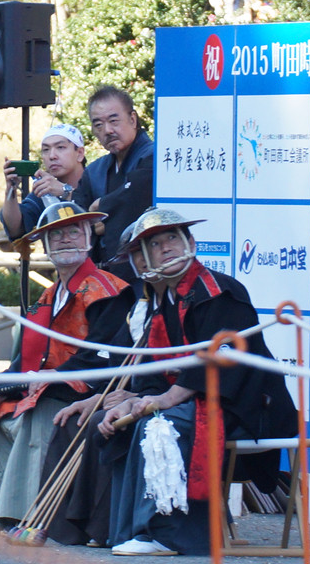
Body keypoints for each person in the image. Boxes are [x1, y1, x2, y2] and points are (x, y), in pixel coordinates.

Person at [56, 209, 297, 556]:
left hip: (247, 407)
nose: (165, 248)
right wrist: (133, 400)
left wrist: (164, 400)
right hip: (197, 401)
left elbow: (221, 361)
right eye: (154, 244)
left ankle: (164, 534)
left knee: (160, 424)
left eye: (172, 238)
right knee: (123, 421)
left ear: (191, 243)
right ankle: (121, 529)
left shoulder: (218, 291)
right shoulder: (163, 301)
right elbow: (157, 372)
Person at [0, 198, 126, 534]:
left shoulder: (108, 291)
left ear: (88, 236)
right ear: (45, 246)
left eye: (73, 231)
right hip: (44, 388)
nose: (65, 239)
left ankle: (25, 519)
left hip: (83, 392)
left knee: (39, 411)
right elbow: (26, 359)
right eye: (56, 234)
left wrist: (57, 376)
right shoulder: (47, 296)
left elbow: (104, 354)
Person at [73, 86, 155, 275]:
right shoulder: (94, 171)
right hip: (105, 274)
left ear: (133, 119)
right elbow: (80, 215)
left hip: (147, 271)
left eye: (113, 121)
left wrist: (105, 209)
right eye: (98, 125)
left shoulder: (154, 157)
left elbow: (140, 191)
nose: (108, 130)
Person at [0, 124, 90, 242]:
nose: (52, 156)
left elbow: (103, 211)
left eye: (60, 147)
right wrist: (11, 190)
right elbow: (15, 229)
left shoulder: (99, 178)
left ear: (80, 153)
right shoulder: (46, 192)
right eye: (46, 150)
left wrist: (65, 191)